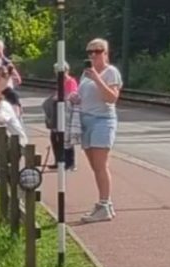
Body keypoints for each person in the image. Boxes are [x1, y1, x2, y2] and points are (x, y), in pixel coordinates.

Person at [70, 38, 123, 223]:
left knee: (101, 165)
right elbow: (84, 95)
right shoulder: (85, 74)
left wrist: (97, 78)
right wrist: (75, 97)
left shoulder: (111, 72)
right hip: (85, 120)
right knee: (94, 166)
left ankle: (103, 204)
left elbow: (111, 98)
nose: (93, 55)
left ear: (106, 53)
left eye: (97, 51)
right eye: (90, 52)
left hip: (103, 120)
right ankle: (105, 203)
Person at [42, 62, 79, 170]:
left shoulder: (70, 81)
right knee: (55, 137)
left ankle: (69, 162)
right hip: (57, 111)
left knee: (65, 137)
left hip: (66, 112)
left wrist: (59, 97)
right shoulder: (60, 82)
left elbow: (71, 95)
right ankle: (58, 160)